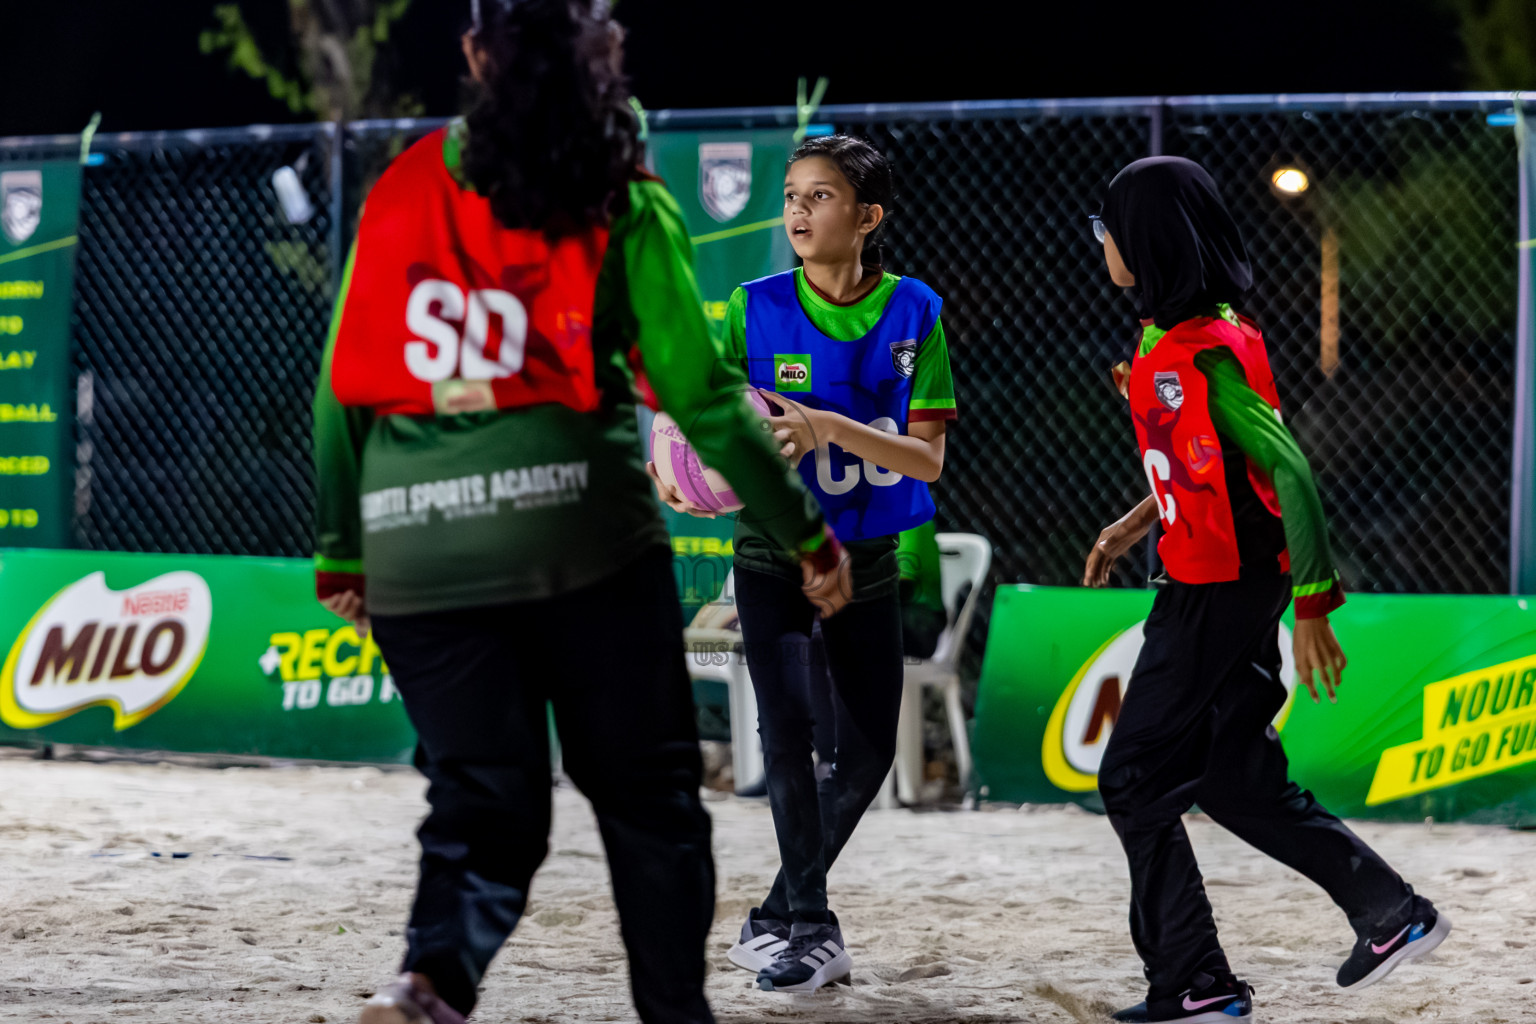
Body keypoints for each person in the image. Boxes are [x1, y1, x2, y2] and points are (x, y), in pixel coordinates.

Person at [310, 3, 849, 1022]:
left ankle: (430, 979)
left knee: (482, 800)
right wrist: (803, 531)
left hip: (422, 545)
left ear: (474, 55)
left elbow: (341, 387)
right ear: (606, 62)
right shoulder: (626, 194)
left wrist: (343, 546)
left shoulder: (406, 183)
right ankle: (672, 1014)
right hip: (585, 539)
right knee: (650, 807)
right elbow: (698, 396)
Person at [1083, 156, 1449, 1024]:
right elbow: (1204, 458)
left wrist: (1317, 604)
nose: (1100, 246)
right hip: (1216, 578)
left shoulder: (1203, 351)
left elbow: (1289, 469)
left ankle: (1195, 983)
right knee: (1233, 775)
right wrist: (1139, 520)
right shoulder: (1179, 334)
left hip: (1216, 591)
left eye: (1107, 231)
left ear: (1145, 243)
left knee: (1133, 778)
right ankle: (1391, 914)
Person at [655, 134, 957, 993]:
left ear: (868, 217)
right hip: (772, 553)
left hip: (866, 556)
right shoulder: (752, 306)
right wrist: (670, 466)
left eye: (819, 197)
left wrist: (825, 425)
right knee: (784, 733)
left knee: (864, 754)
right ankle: (814, 928)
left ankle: (776, 913)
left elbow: (928, 458)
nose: (797, 210)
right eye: (791, 195)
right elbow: (700, 417)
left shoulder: (916, 312)